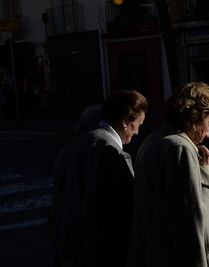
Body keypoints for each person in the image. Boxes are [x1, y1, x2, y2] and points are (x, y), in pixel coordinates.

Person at [128, 82, 209, 267]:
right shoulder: (180, 148)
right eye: (208, 124)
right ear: (194, 119)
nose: (208, 133)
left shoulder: (153, 140)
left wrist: (203, 169)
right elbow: (190, 220)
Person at [49, 89, 148, 267]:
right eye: (138, 124)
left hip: (69, 247)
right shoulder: (110, 152)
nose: (138, 132)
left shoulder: (77, 143)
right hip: (99, 252)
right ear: (125, 122)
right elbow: (126, 209)